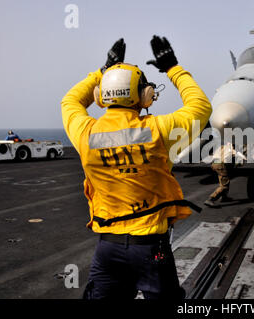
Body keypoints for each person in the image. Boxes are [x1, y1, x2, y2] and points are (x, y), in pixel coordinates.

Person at [61, 37, 211, 299]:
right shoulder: (159, 130)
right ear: (145, 96)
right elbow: (200, 106)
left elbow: (70, 101)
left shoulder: (85, 132)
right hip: (151, 248)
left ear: (100, 96)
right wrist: (173, 68)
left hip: (108, 249)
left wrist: (102, 71)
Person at [204, 142, 235, 207]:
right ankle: (211, 199)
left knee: (223, 179)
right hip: (220, 165)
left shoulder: (222, 145)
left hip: (214, 164)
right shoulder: (231, 147)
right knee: (224, 185)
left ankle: (224, 197)